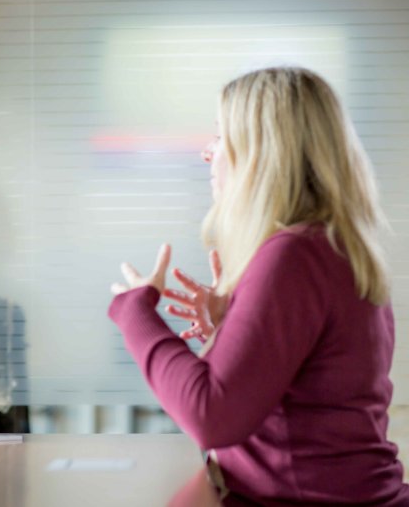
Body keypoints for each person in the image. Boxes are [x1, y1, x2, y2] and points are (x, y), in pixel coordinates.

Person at [109, 67, 408, 505]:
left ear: (260, 152)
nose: (207, 154)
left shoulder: (292, 257)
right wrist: (231, 331)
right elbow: (306, 391)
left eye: (220, 136)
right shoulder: (332, 247)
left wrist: (137, 313)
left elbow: (211, 416)